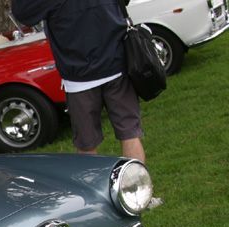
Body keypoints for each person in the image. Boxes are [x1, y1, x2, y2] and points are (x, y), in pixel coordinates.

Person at [11, 0, 146, 162]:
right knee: (129, 133)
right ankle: (137, 179)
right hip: (110, 63)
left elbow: (23, 13)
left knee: (87, 145)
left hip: (81, 73)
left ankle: (130, 178)